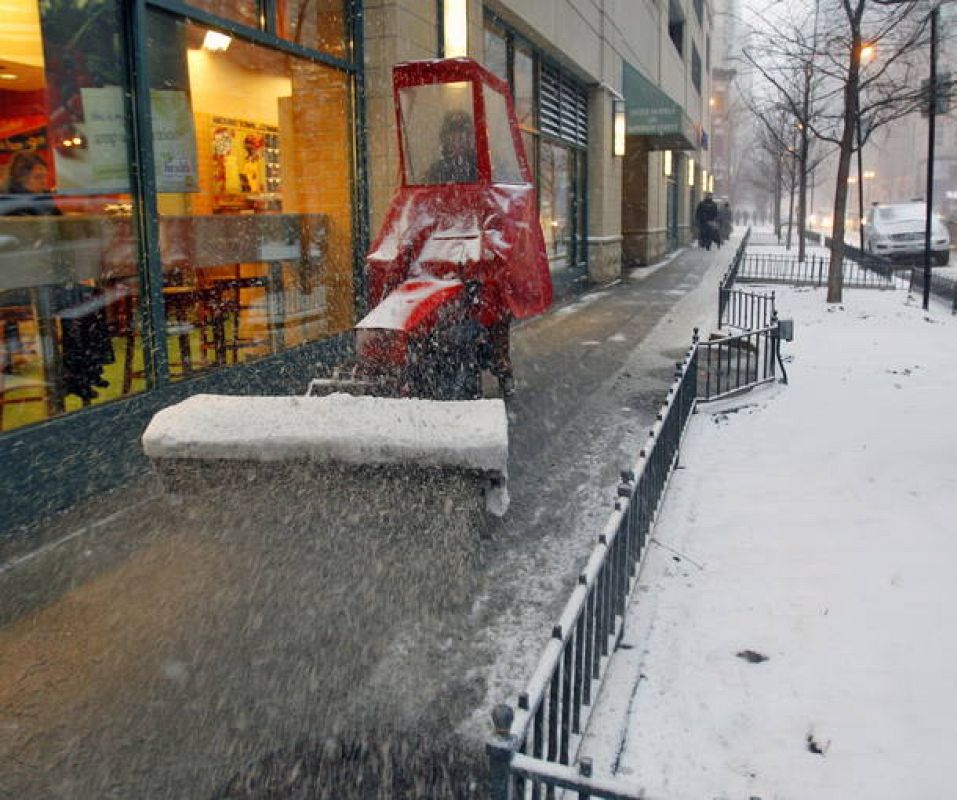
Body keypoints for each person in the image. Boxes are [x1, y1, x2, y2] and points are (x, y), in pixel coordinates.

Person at [425, 111, 477, 185]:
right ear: (444, 139)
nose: (457, 143)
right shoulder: (435, 172)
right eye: (452, 138)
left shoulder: (480, 169)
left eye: (461, 138)